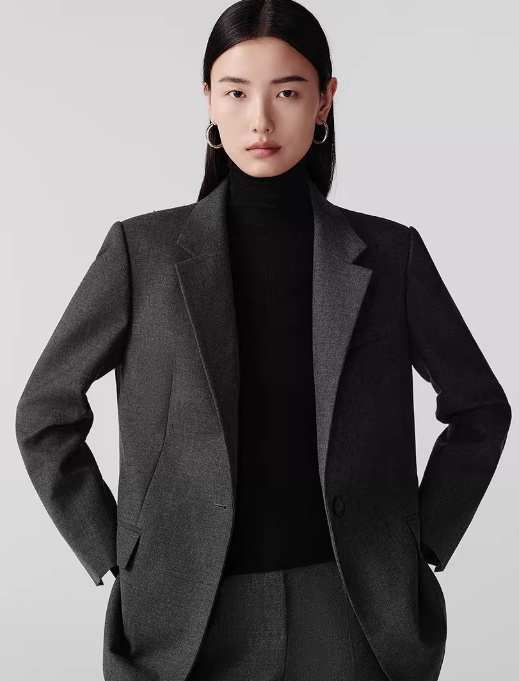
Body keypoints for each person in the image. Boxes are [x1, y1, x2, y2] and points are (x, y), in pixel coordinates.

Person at [15, 1, 512, 680]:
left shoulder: (390, 255)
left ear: (324, 100)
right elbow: (45, 412)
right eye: (236, 92)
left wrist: (419, 540)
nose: (260, 119)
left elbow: (479, 408)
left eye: (286, 92)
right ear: (208, 101)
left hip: (354, 612)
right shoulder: (143, 252)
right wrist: (114, 549)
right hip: (186, 615)